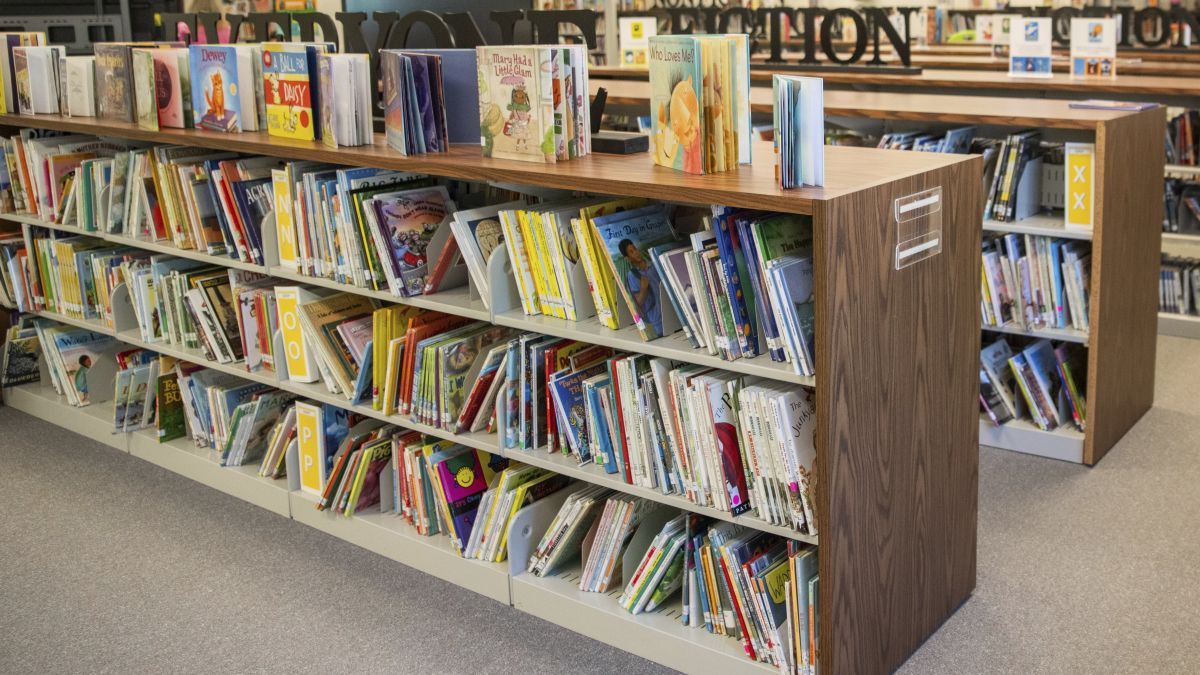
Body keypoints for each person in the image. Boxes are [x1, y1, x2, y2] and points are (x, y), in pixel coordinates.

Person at [618, 239, 663, 337]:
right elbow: (637, 302)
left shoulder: (653, 264)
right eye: (631, 252)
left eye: (635, 249)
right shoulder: (632, 275)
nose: (636, 253)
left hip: (669, 312)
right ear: (627, 258)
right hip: (656, 319)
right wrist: (643, 289)